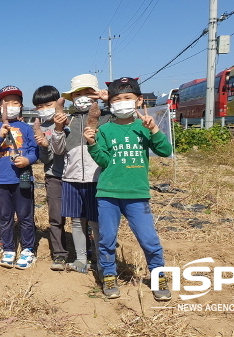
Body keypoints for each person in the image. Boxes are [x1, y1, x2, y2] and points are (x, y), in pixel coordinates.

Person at [83, 77, 172, 301]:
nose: (122, 102)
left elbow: (164, 151)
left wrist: (154, 130)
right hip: (108, 194)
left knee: (149, 239)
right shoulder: (105, 130)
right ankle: (109, 275)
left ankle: (158, 276)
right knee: (106, 239)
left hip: (137, 195)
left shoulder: (144, 127)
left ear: (139, 100)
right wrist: (92, 144)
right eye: (117, 99)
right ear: (110, 104)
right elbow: (103, 161)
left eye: (127, 98)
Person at [50, 74, 111, 274]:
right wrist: (58, 128)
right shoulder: (69, 121)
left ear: (96, 95)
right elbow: (58, 150)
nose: (83, 97)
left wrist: (108, 101)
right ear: (72, 98)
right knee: (77, 221)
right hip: (71, 179)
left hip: (97, 178)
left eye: (88, 92)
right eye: (78, 94)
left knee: (95, 221)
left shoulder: (106, 118)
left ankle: (102, 260)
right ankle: (81, 259)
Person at [0, 85, 38, 270]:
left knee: (25, 216)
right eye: (7, 103)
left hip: (22, 179)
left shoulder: (26, 128)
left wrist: (27, 160)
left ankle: (28, 249)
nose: (11, 106)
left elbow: (34, 151)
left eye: (16, 102)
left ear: (21, 106)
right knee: (5, 216)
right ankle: (8, 248)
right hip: (2, 179)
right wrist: (0, 135)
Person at [31, 85, 68, 271]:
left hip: (76, 176)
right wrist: (44, 145)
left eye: (48, 104)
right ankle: (59, 254)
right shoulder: (40, 128)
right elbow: (45, 160)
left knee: (82, 217)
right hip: (53, 176)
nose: (44, 108)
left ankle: (86, 250)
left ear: (58, 102)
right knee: (56, 217)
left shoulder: (69, 121)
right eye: (39, 106)